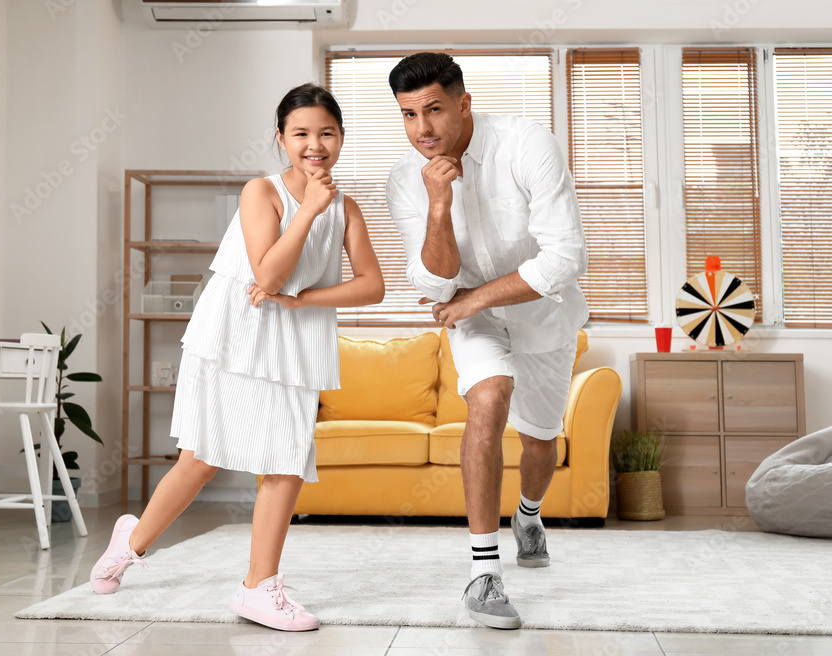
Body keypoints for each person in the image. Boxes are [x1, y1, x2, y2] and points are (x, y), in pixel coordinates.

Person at [90, 83, 384, 632]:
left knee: (286, 462)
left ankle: (258, 587)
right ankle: (129, 545)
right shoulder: (262, 192)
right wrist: (310, 210)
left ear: (342, 138)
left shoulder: (348, 208)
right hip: (236, 338)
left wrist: (304, 299)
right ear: (280, 138)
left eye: (327, 133)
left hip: (294, 344)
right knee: (200, 460)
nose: (314, 144)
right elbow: (266, 272)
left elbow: (373, 286)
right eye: (301, 133)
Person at [386, 52, 589, 630]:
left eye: (433, 110)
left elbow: (564, 258)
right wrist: (439, 206)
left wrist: (474, 297)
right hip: (471, 316)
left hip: (543, 312)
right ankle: (483, 573)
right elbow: (434, 281)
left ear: (464, 102)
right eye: (407, 115)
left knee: (540, 443)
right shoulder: (406, 180)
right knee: (489, 398)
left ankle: (529, 515)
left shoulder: (526, 143)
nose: (421, 130)